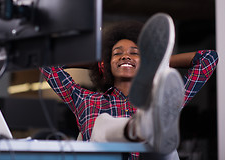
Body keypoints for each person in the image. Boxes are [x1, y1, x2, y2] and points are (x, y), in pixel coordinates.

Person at [40, 13, 218, 160]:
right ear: (106, 64)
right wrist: (98, 62)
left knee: (160, 121)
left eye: (134, 53)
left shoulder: (164, 99)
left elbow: (208, 59)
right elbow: (46, 62)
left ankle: (148, 129)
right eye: (117, 54)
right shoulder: (85, 100)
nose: (125, 57)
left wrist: (158, 62)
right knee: (102, 125)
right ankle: (141, 128)